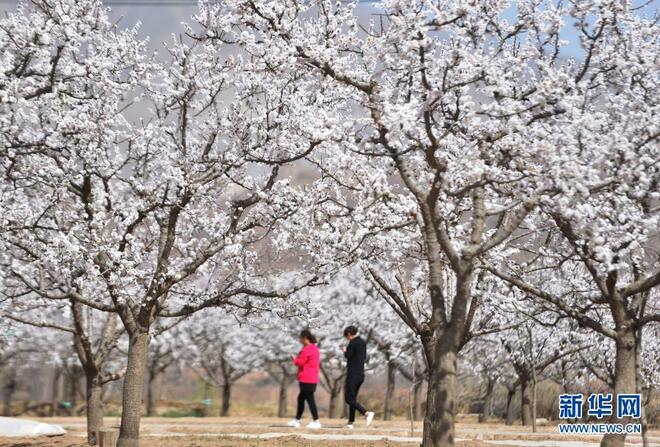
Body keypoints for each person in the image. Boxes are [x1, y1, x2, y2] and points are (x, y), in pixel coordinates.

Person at [341, 325, 375, 429]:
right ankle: (350, 422)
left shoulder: (353, 343)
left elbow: (349, 356)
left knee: (348, 398)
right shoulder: (363, 342)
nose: (347, 338)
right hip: (360, 374)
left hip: (353, 374)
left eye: (346, 336)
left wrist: (345, 351)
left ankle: (366, 413)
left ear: (349, 334)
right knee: (352, 398)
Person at [288, 329, 322, 429]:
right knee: (301, 399)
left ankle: (316, 421)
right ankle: (296, 420)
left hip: (306, 378)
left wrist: (294, 359)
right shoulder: (314, 348)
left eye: (300, 338)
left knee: (310, 400)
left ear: (305, 338)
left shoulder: (307, 349)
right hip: (311, 378)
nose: (299, 340)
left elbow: (300, 362)